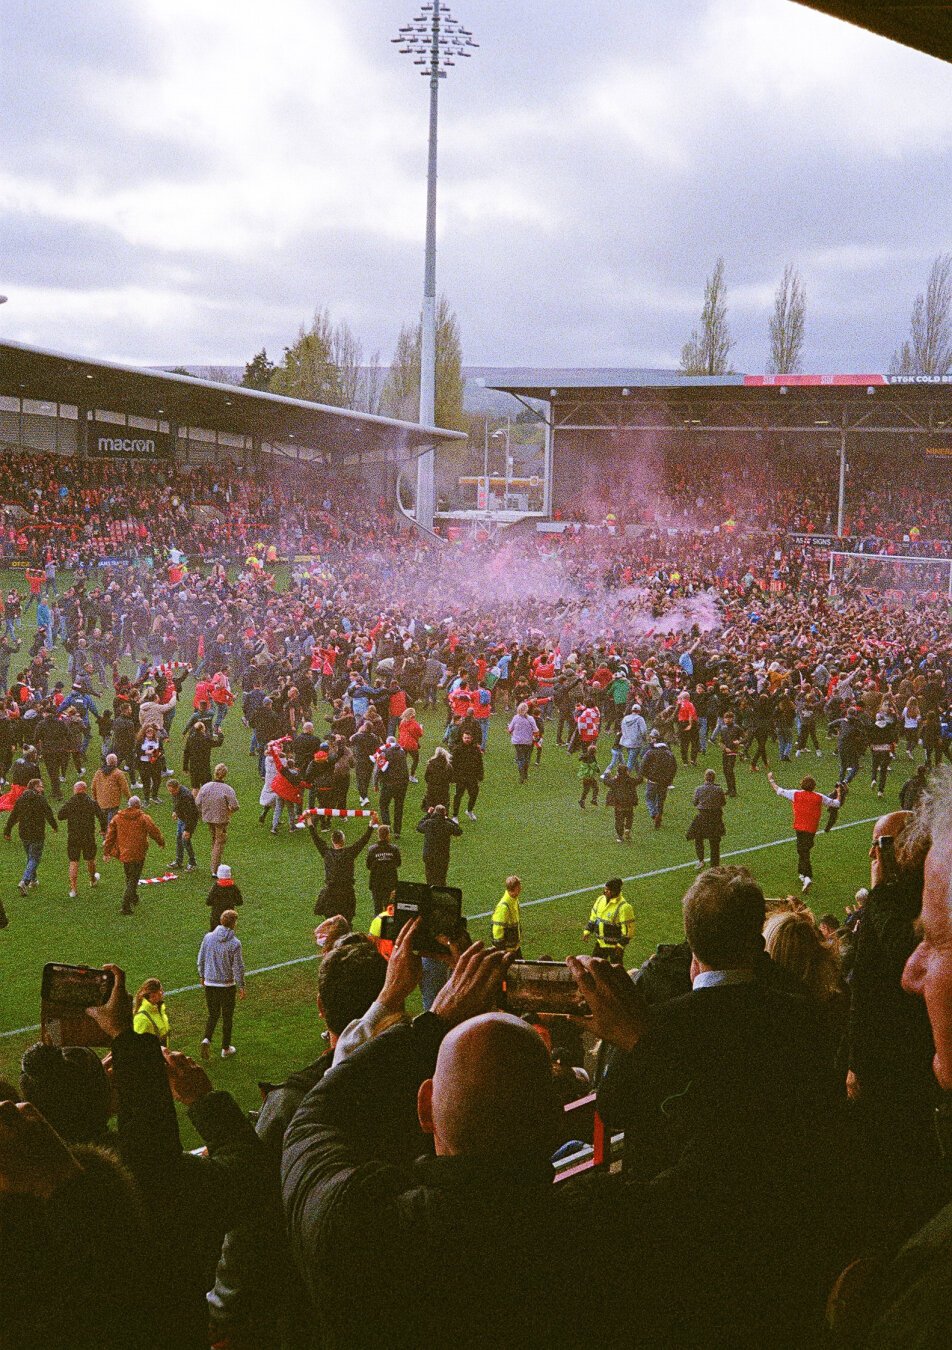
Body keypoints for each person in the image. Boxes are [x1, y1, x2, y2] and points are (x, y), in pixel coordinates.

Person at [767, 772, 841, 892]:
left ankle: (807, 876)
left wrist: (771, 780)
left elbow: (779, 790)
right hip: (811, 829)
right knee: (803, 849)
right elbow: (836, 804)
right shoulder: (819, 796)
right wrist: (839, 792)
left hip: (799, 827)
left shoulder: (795, 794)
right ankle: (802, 873)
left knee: (803, 851)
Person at [103, 794, 166, 916]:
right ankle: (125, 905)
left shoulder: (117, 817)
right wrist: (161, 842)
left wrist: (107, 851)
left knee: (129, 876)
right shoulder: (143, 817)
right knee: (134, 878)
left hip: (124, 853)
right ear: (138, 805)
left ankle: (134, 897)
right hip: (138, 852)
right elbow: (154, 831)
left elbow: (110, 836)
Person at [198, 908, 246, 1058]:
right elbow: (238, 967)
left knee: (213, 1014)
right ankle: (225, 1048)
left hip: (210, 983)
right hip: (226, 985)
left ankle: (207, 1038)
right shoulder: (235, 943)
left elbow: (201, 958)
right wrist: (241, 985)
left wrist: (202, 975)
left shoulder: (208, 937)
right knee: (227, 1016)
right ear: (233, 924)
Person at [309, 815, 376, 922]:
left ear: (332, 840)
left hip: (331, 892)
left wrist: (309, 821)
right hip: (347, 892)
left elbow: (315, 837)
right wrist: (371, 825)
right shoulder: (349, 853)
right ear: (343, 840)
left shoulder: (326, 853)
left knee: (331, 923)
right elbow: (363, 840)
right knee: (347, 923)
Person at [4, 777, 57, 896]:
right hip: (37, 833)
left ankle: (33, 880)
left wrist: (7, 830)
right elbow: (48, 813)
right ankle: (25, 881)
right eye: (40, 786)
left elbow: (13, 816)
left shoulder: (21, 799)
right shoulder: (40, 799)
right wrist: (54, 826)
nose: (42, 788)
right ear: (35, 787)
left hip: (23, 832)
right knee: (34, 858)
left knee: (30, 857)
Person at [56, 780, 104, 898]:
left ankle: (73, 889)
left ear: (75, 790)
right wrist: (103, 829)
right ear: (85, 789)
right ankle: (92, 879)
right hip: (88, 835)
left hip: (73, 836)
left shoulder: (71, 802)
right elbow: (102, 816)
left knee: (73, 861)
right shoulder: (91, 802)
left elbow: (60, 816)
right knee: (90, 859)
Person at [195, 762, 239, 878]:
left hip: (208, 817)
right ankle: (215, 869)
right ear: (225, 775)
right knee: (220, 842)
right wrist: (229, 811)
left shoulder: (206, 786)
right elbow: (235, 806)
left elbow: (197, 802)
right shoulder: (227, 789)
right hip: (221, 819)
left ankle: (215, 862)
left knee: (214, 839)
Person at [582, 877, 635, 964]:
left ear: (615, 891)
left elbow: (628, 931)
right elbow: (594, 917)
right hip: (600, 943)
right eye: (605, 889)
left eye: (608, 890)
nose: (605, 891)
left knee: (616, 971)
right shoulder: (600, 900)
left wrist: (620, 945)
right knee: (595, 966)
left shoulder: (624, 907)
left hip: (615, 947)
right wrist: (587, 931)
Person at [687, 768, 727, 868]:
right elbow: (723, 803)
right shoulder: (719, 789)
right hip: (715, 817)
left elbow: (695, 802)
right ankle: (715, 865)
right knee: (714, 842)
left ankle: (700, 860)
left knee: (698, 838)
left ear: (705, 777)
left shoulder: (699, 789)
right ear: (714, 778)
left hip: (702, 817)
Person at [416, 803, 462, 886]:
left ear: (434, 813)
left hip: (429, 855)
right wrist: (448, 819)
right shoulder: (448, 825)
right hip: (442, 856)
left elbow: (419, 827)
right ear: (444, 813)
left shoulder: (428, 823)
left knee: (430, 878)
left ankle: (430, 895)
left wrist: (428, 814)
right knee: (441, 878)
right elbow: (459, 831)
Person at [640, 733, 677, 829]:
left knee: (649, 798)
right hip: (664, 782)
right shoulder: (669, 754)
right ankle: (659, 815)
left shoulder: (650, 752)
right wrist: (670, 780)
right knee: (660, 800)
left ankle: (654, 813)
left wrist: (644, 775)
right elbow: (674, 768)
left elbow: (643, 765)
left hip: (652, 780)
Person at [377, 736, 410, 839]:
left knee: (383, 805)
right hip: (402, 784)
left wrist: (376, 782)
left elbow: (380, 769)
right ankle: (397, 832)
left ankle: (387, 827)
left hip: (389, 784)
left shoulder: (385, 753)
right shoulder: (402, 753)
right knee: (399, 807)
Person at [366, 823, 401, 915]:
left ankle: (376, 927)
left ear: (378, 835)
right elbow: (398, 863)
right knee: (389, 908)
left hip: (376, 882)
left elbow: (368, 865)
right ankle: (388, 928)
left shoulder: (372, 850)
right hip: (390, 883)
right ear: (388, 835)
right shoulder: (394, 849)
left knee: (377, 908)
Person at [450, 729, 484, 821]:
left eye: (468, 738)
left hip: (472, 777)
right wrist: (453, 777)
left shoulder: (476, 749)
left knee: (474, 794)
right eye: (465, 738)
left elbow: (480, 763)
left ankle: (469, 810)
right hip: (461, 777)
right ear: (462, 738)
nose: (467, 739)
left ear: (472, 738)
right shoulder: (457, 749)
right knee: (458, 796)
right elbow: (453, 764)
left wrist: (480, 775)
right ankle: (455, 816)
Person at [603, 761, 639, 844]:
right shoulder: (631, 780)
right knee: (629, 817)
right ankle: (627, 828)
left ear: (618, 772)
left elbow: (606, 781)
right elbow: (639, 780)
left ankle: (620, 836)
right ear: (627, 771)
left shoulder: (615, 781)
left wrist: (607, 774)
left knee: (619, 820)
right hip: (629, 803)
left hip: (618, 804)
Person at [167, 777, 198, 871]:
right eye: (170, 791)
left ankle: (192, 863)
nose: (171, 793)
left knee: (185, 841)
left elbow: (191, 815)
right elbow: (176, 803)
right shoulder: (176, 793)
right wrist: (175, 811)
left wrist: (188, 830)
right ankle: (178, 861)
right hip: (182, 818)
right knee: (179, 839)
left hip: (188, 820)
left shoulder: (186, 796)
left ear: (177, 787)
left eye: (172, 791)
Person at [91, 752, 130, 826]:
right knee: (111, 826)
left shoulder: (99, 772)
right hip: (113, 803)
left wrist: (95, 800)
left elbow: (93, 787)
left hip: (101, 803)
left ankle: (105, 837)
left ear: (107, 761)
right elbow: (124, 788)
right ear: (116, 762)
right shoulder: (118, 773)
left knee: (104, 826)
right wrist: (129, 799)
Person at [132, 977, 170, 1045]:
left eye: (161, 991)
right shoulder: (142, 1019)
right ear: (151, 996)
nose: (161, 994)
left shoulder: (159, 1009)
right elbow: (136, 1045)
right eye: (158, 993)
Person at [507, 701, 539, 784]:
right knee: (526, 758)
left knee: (520, 758)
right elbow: (536, 730)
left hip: (517, 741)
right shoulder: (530, 718)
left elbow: (510, 730)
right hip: (527, 741)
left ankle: (521, 774)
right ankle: (525, 774)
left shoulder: (515, 718)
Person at [206, 863, 244, 932]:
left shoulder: (216, 887)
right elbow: (239, 902)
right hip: (229, 917)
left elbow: (208, 902)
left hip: (216, 916)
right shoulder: (233, 887)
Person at [491, 875, 523, 954]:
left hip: (514, 948)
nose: (521, 889)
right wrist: (502, 952)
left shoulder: (514, 901)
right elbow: (497, 931)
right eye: (519, 887)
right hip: (507, 951)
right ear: (515, 889)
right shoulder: (504, 907)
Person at [423, 745, 452, 809]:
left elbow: (426, 777)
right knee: (443, 808)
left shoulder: (430, 764)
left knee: (431, 807)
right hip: (443, 789)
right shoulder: (448, 766)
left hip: (432, 788)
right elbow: (451, 778)